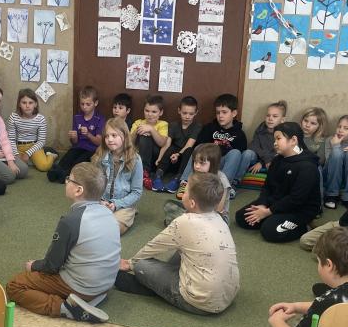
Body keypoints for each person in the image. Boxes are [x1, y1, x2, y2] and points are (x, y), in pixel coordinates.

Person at [6, 162, 120, 323]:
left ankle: (66, 308)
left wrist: (34, 266)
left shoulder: (70, 221)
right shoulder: (108, 213)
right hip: (106, 285)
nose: (66, 182)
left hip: (83, 288)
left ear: (78, 190)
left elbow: (52, 265)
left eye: (69, 179)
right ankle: (86, 298)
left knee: (15, 285)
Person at [115, 172, 239, 314]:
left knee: (141, 265)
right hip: (227, 296)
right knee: (186, 247)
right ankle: (159, 284)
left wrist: (130, 263)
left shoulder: (184, 222)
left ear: (192, 203)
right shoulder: (219, 219)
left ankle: (152, 288)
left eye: (185, 191)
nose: (182, 193)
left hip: (199, 303)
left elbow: (154, 246)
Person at [236, 122, 320, 243]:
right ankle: (274, 217)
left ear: (293, 140)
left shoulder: (308, 167)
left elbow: (296, 199)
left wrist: (268, 212)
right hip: (276, 202)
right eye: (274, 139)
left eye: (278, 138)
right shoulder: (277, 160)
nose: (275, 143)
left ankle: (303, 226)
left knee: (269, 231)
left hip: (299, 209)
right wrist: (262, 204)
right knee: (241, 217)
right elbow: (267, 187)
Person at [176, 93, 248, 198]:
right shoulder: (210, 128)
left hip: (224, 165)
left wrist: (220, 149)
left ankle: (222, 187)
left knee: (236, 153)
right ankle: (185, 182)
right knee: (198, 148)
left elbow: (240, 155)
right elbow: (201, 145)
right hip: (207, 162)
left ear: (234, 113)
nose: (220, 116)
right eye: (218, 112)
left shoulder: (239, 134)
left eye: (224, 112)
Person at [94, 118, 143, 234]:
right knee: (82, 218)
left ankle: (129, 213)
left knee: (113, 229)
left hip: (123, 204)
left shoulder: (135, 159)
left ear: (124, 136)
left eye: (114, 135)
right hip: (102, 201)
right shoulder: (100, 156)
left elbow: (136, 192)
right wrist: (100, 200)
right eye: (107, 136)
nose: (110, 139)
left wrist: (117, 204)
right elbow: (94, 184)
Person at [164, 143, 231, 225]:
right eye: (195, 162)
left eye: (202, 163)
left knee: (183, 220)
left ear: (213, 163)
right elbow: (188, 199)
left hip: (215, 217)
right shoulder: (196, 174)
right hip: (196, 210)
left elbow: (218, 209)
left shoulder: (222, 181)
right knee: (170, 206)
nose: (197, 166)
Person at [48, 86, 104, 183]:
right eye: (82, 104)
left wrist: (88, 134)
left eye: (88, 104)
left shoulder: (100, 119)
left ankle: (65, 176)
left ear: (95, 103)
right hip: (78, 147)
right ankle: (60, 172)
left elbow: (99, 142)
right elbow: (74, 142)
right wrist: (73, 137)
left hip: (91, 150)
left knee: (77, 164)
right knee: (66, 159)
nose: (84, 107)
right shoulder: (77, 117)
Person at [153, 95, 200, 193]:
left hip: (184, 159)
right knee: (170, 148)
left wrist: (178, 154)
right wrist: (160, 158)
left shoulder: (197, 126)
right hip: (172, 158)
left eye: (191, 114)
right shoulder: (174, 125)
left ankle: (177, 179)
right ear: (179, 111)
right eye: (184, 113)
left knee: (189, 151)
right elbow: (167, 144)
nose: (187, 116)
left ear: (196, 113)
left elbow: (189, 145)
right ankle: (158, 176)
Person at [8, 88, 55, 172]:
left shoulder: (40, 119)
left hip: (34, 146)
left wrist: (28, 153)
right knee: (11, 165)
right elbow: (11, 139)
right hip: (18, 147)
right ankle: (30, 160)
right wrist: (16, 154)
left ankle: (51, 155)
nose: (27, 106)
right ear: (19, 104)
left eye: (30, 103)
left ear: (35, 104)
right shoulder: (13, 117)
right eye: (24, 103)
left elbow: (41, 141)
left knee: (44, 166)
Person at [130, 95, 169, 188]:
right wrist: (137, 131)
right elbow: (129, 142)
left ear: (161, 112)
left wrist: (151, 129)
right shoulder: (138, 123)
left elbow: (162, 143)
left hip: (155, 157)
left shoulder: (163, 124)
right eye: (147, 111)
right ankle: (143, 172)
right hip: (139, 156)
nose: (150, 114)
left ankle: (144, 171)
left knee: (147, 136)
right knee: (143, 136)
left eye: (154, 112)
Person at [240, 100, 287, 177]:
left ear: (282, 120)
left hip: (272, 158)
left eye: (275, 116)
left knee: (280, 159)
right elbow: (254, 145)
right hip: (259, 156)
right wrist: (265, 160)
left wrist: (262, 163)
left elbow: (279, 152)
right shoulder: (261, 128)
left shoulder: (283, 133)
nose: (270, 118)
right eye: (268, 115)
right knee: (247, 153)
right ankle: (237, 179)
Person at [323, 114, 348, 209]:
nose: (341, 130)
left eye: (346, 128)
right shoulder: (330, 140)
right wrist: (336, 146)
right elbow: (328, 161)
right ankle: (332, 194)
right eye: (339, 127)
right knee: (337, 153)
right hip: (330, 175)